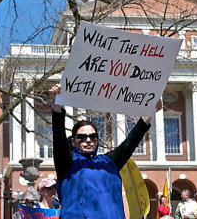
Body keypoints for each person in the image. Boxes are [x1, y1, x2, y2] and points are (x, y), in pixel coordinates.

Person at [49, 83, 159, 219]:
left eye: (93, 136)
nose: (88, 140)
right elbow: (58, 137)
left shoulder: (108, 162)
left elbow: (131, 142)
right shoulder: (68, 163)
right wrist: (57, 106)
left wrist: (149, 113)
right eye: (82, 137)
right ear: (73, 141)